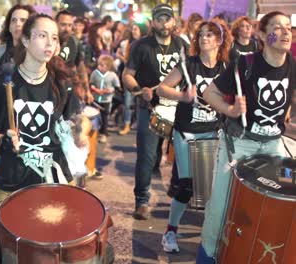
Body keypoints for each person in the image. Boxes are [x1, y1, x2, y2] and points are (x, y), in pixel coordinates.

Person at [0, 14, 80, 261]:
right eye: (41, 36)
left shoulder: (62, 83)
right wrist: (2, 141)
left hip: (53, 180)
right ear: (25, 40)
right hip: (12, 183)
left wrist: (77, 137)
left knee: (52, 253)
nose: (50, 43)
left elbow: (72, 126)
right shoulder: (2, 84)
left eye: (54, 38)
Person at [196, 11, 295, 263]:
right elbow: (209, 93)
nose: (285, 32)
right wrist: (230, 110)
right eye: (277, 27)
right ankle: (207, 257)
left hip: (273, 145)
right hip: (239, 144)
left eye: (288, 27)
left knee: (276, 208)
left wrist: (286, 111)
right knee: (219, 210)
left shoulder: (292, 64)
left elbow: (288, 94)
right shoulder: (246, 63)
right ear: (262, 34)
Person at [157, 20, 231, 253]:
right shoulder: (189, 64)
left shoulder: (226, 68)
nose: (204, 39)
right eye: (201, 35)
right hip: (186, 132)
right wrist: (183, 96)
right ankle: (170, 231)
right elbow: (161, 88)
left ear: (219, 41)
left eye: (210, 35)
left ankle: (209, 234)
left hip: (212, 132)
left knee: (208, 189)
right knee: (187, 184)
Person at [122, 3, 184, 220]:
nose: (164, 23)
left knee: (182, 152)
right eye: (159, 19)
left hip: (177, 107)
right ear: (153, 22)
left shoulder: (182, 45)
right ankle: (142, 200)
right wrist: (140, 92)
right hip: (150, 108)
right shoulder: (141, 46)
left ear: (174, 21)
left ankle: (178, 190)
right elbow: (127, 75)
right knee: (146, 156)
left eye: (168, 19)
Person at [90, 54, 120, 144]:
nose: (99, 67)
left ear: (108, 66)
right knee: (94, 116)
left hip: (106, 100)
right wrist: (95, 89)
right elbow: (91, 83)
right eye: (99, 64)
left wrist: (110, 90)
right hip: (95, 99)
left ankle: (103, 133)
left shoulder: (113, 75)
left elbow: (117, 87)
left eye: (102, 65)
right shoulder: (95, 73)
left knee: (104, 117)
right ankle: (94, 132)